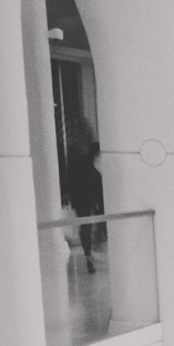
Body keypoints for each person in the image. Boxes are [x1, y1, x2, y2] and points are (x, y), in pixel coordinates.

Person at [65, 116, 103, 271]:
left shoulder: (72, 150)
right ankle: (97, 246)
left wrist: (69, 194)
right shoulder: (93, 147)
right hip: (93, 187)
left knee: (85, 225)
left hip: (80, 191)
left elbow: (70, 174)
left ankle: (89, 255)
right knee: (101, 218)